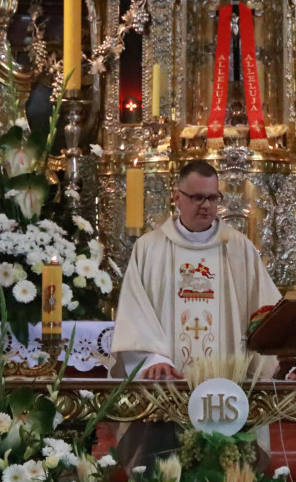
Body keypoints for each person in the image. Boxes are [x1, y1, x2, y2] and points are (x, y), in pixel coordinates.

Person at [112, 160, 281, 381]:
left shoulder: (239, 247)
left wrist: (287, 362)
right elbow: (135, 312)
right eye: (198, 197)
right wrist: (154, 359)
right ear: (177, 198)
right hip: (168, 381)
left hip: (228, 385)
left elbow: (265, 310)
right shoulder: (149, 248)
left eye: (212, 197)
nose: (206, 205)